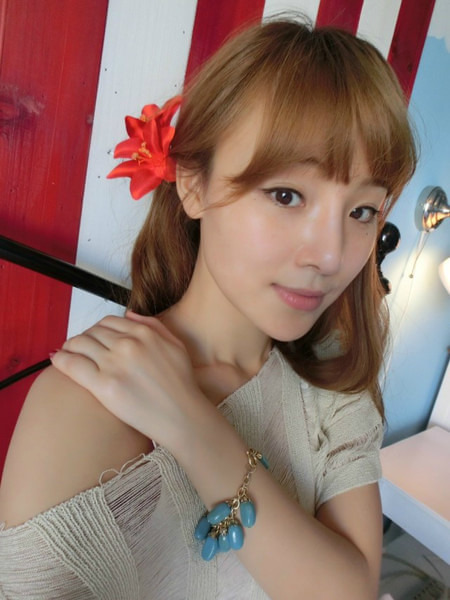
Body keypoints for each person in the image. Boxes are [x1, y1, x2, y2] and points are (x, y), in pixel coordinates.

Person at [0, 16, 416, 600]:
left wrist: (190, 423)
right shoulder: (86, 406)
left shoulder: (334, 383)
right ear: (193, 185)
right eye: (287, 195)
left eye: (362, 211)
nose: (330, 255)